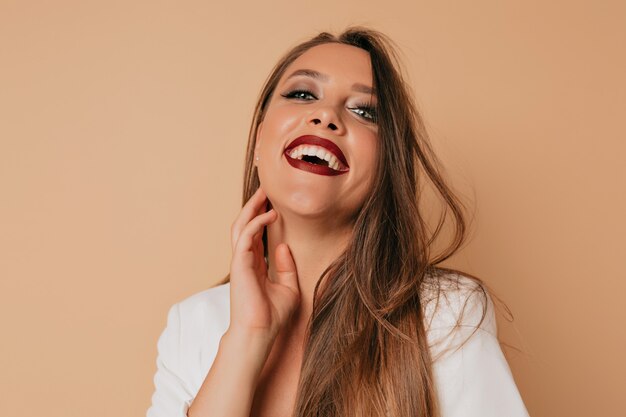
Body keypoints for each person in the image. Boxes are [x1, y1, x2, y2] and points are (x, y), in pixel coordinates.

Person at [146, 28, 530, 417]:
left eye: (364, 111)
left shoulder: (445, 314)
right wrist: (247, 337)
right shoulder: (191, 324)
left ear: (387, 167)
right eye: (302, 94)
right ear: (260, 140)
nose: (326, 115)